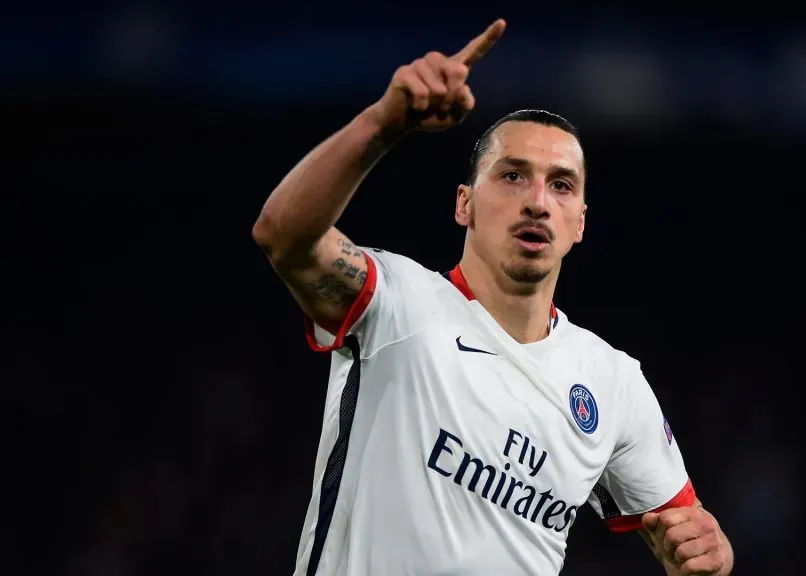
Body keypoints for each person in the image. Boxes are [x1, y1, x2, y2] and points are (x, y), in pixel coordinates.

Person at [252, 18, 734, 576]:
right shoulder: (398, 304)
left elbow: (688, 533)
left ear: (580, 222)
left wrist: (709, 555)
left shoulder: (614, 384)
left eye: (560, 185)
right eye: (511, 176)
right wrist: (385, 124)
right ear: (464, 205)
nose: (537, 202)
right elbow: (283, 236)